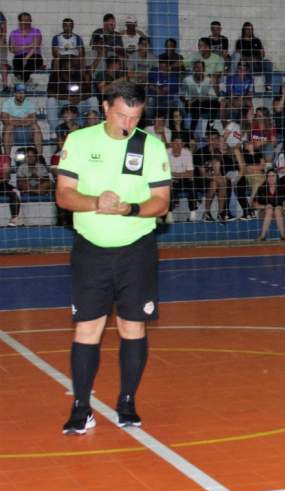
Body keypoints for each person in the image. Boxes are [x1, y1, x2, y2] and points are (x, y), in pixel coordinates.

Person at [54, 79, 172, 434]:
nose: (127, 124)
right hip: (91, 250)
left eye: (135, 117)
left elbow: (162, 203)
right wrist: (95, 203)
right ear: (105, 107)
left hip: (136, 250)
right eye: (121, 115)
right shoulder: (78, 141)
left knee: (131, 327)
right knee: (87, 328)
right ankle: (81, 407)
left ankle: (127, 402)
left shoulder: (149, 145)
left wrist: (130, 208)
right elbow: (63, 195)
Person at [253, 168, 285, 241]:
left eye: (273, 176)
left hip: (279, 213)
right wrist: (264, 206)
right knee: (269, 209)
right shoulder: (262, 188)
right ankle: (262, 236)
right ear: (266, 178)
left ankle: (283, 235)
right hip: (264, 213)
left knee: (277, 209)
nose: (271, 178)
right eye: (269, 176)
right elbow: (254, 203)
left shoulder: (282, 188)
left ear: (277, 177)